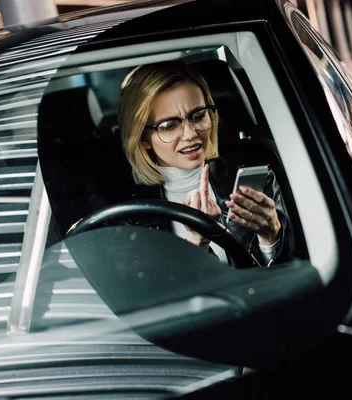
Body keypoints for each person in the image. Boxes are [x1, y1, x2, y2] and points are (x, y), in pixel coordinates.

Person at [118, 61, 293, 267]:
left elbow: (293, 273)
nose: (191, 134)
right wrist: (196, 244)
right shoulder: (129, 215)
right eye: (169, 126)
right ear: (143, 139)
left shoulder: (253, 176)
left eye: (198, 116)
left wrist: (271, 237)